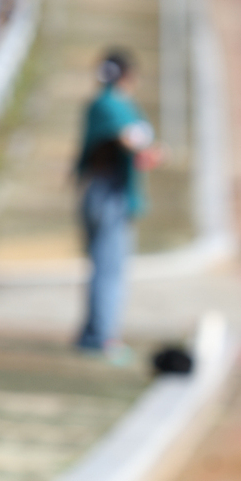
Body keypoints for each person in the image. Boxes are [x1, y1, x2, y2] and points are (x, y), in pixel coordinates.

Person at [73, 48, 161, 363]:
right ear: (128, 75)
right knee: (110, 270)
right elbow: (130, 141)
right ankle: (103, 338)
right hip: (109, 194)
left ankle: (91, 333)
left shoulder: (100, 103)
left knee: (101, 266)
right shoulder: (114, 104)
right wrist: (150, 152)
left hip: (96, 191)